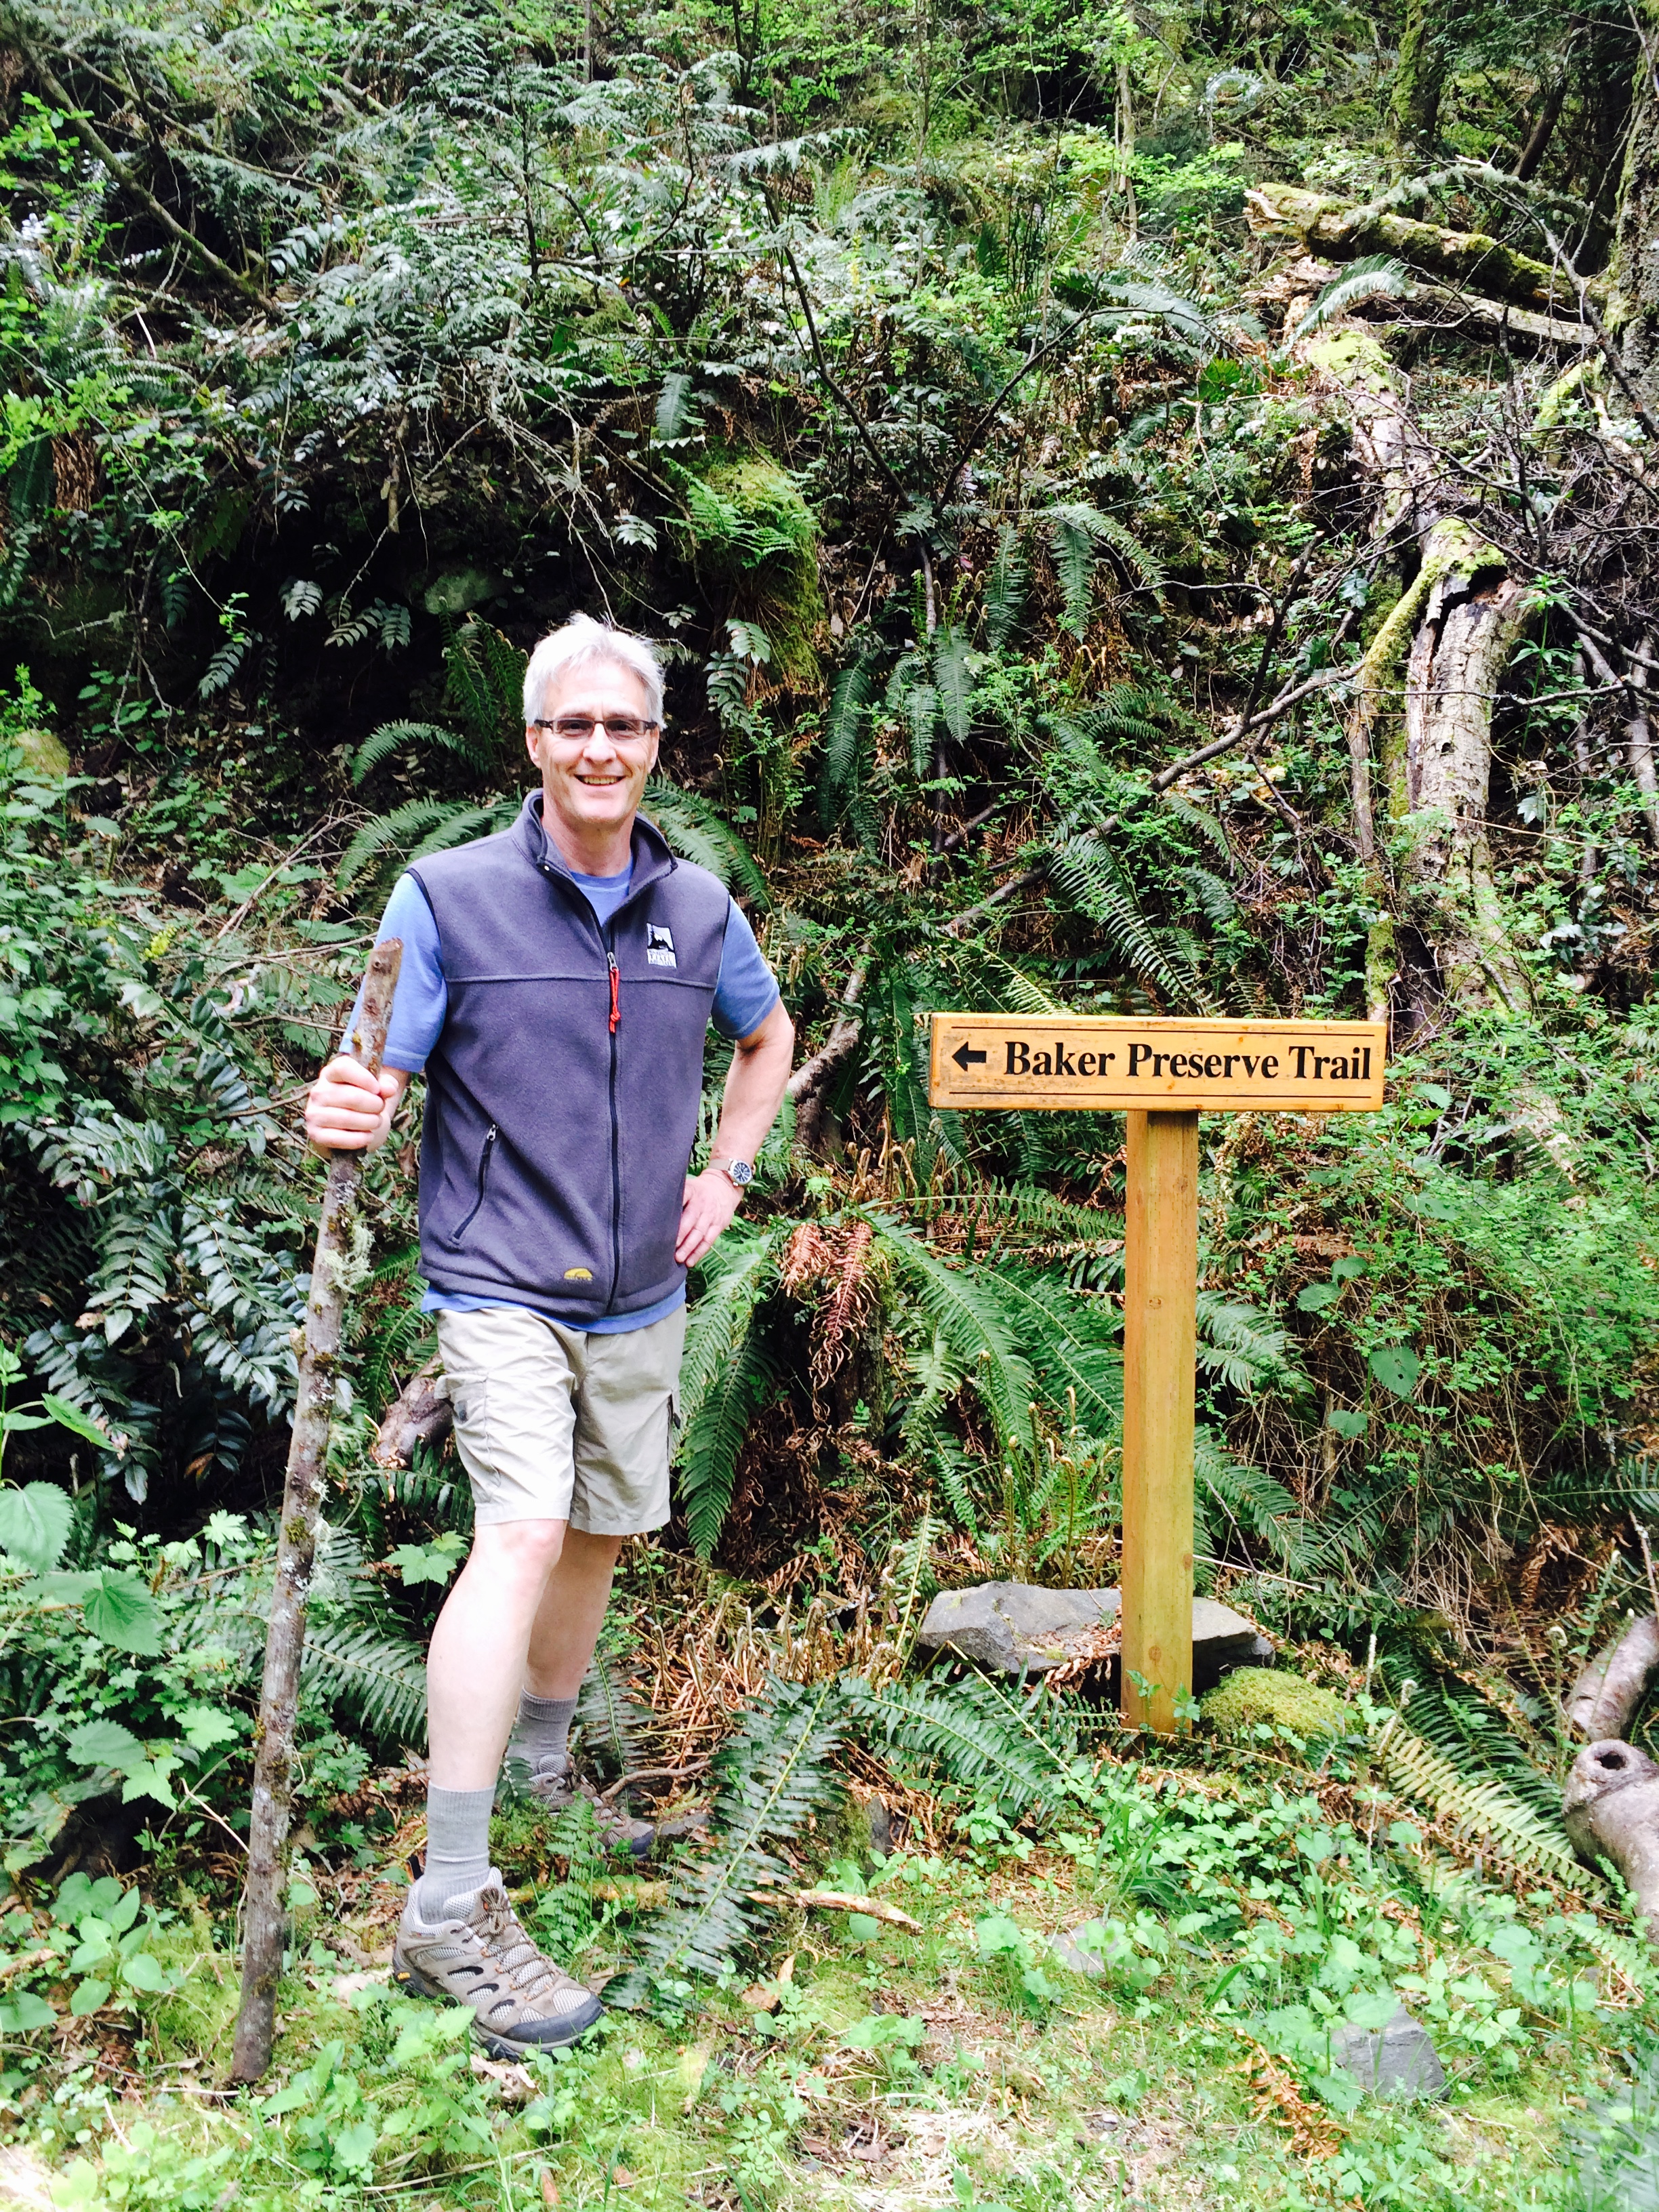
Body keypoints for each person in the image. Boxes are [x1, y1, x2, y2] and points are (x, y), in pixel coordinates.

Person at [303, 613, 794, 2057]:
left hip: (640, 1292)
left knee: (594, 1534)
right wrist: (341, 1107)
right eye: (573, 724)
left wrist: (729, 1173)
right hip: (497, 1280)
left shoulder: (698, 908)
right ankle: (451, 1902)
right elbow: (368, 1073)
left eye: (623, 725)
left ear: (657, 745)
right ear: (532, 741)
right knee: (520, 1529)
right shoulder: (447, 899)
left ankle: (543, 1772)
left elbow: (766, 1038)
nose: (598, 747)